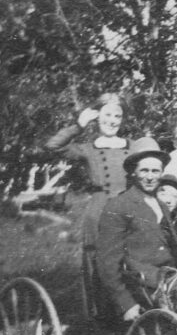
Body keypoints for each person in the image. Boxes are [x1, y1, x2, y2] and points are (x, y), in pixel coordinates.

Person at [43, 93, 132, 320]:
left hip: (129, 209)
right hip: (99, 212)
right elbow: (52, 146)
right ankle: (102, 324)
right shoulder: (87, 148)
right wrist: (78, 126)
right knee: (98, 267)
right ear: (96, 117)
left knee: (130, 264)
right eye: (107, 115)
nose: (112, 120)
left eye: (117, 116)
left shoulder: (132, 146)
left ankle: (132, 320)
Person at [96, 137, 177, 324]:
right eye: (144, 170)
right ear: (134, 173)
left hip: (167, 277)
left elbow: (176, 248)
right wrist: (126, 303)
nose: (150, 176)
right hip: (141, 284)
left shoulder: (162, 205)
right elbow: (107, 263)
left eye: (155, 171)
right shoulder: (119, 205)